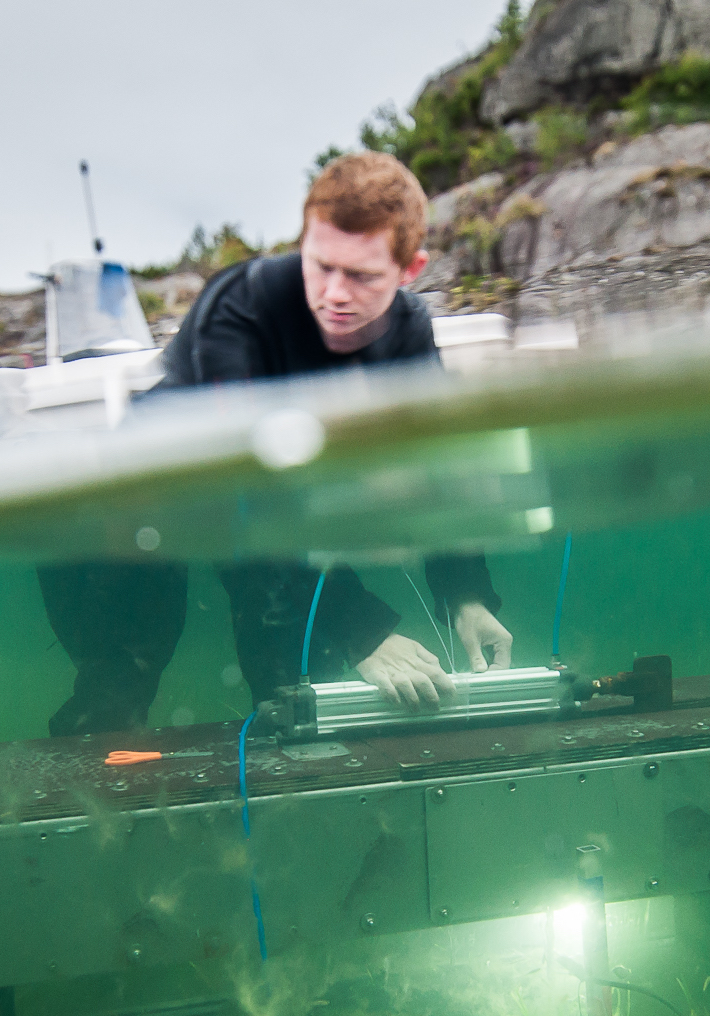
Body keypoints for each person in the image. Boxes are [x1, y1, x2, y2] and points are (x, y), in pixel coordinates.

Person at [38, 152, 513, 736]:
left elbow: (435, 465)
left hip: (261, 519)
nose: (335, 295)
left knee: (301, 691)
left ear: (408, 270)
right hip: (130, 503)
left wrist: (465, 592)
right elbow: (235, 497)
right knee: (122, 680)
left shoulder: (409, 331)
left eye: (362, 276)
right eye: (321, 266)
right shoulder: (239, 311)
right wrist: (361, 627)